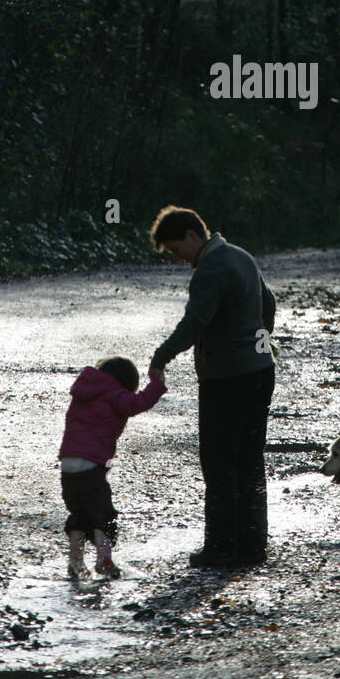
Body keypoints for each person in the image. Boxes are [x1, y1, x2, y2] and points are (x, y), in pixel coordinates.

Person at [148, 206, 276, 569]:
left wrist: (160, 357)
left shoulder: (211, 269)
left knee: (219, 463)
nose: (178, 258)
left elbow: (194, 324)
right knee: (249, 459)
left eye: (176, 249)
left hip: (226, 379)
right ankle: (252, 545)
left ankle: (220, 547)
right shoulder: (241, 256)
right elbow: (269, 303)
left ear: (192, 234)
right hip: (259, 372)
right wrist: (260, 344)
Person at [58, 356, 166, 580]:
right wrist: (157, 383)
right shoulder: (115, 395)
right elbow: (139, 403)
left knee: (79, 514)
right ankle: (104, 561)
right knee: (103, 515)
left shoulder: (83, 392)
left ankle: (75, 562)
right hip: (91, 465)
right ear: (126, 381)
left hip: (68, 465)